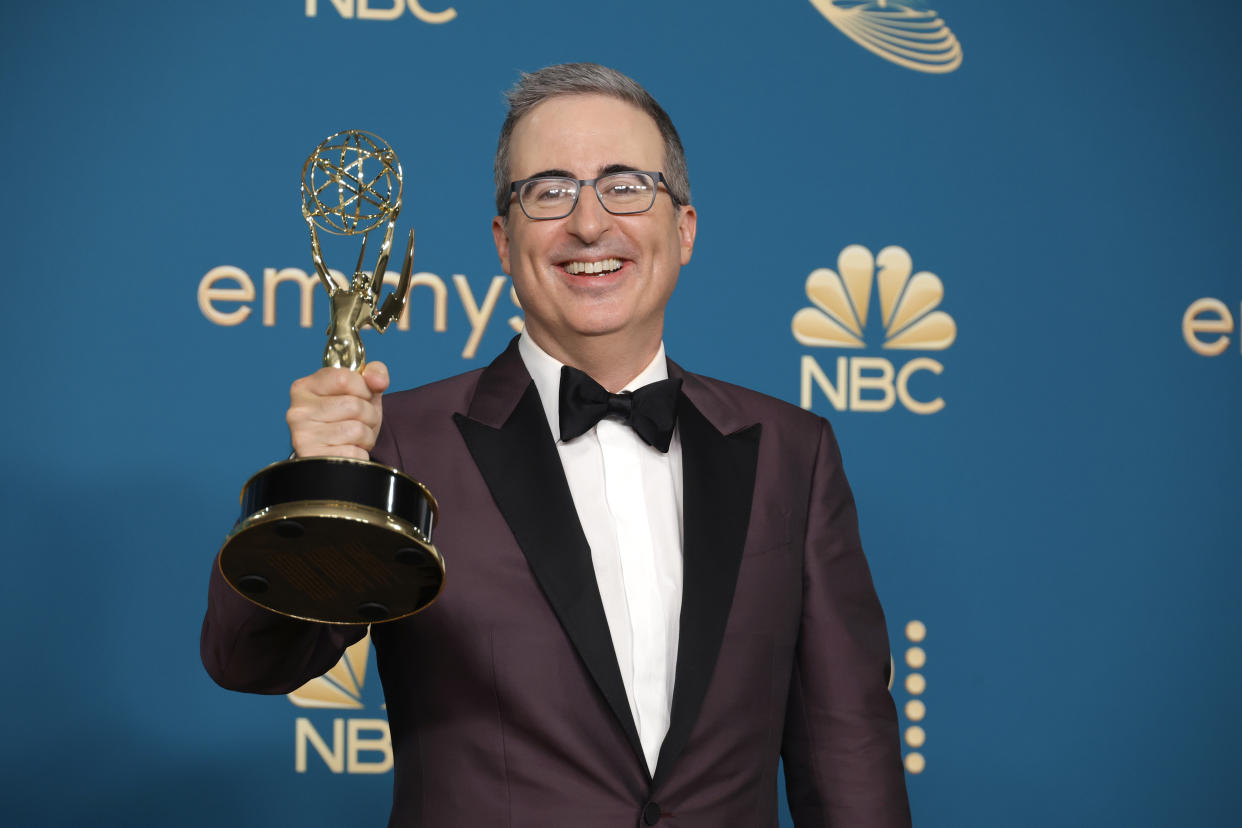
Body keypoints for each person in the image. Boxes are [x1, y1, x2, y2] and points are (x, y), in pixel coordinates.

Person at [202, 62, 911, 827]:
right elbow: (252, 660)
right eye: (550, 190)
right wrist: (317, 483)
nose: (590, 224)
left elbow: (848, 755)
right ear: (505, 242)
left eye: (626, 185)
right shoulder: (400, 439)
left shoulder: (790, 453)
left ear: (684, 229)